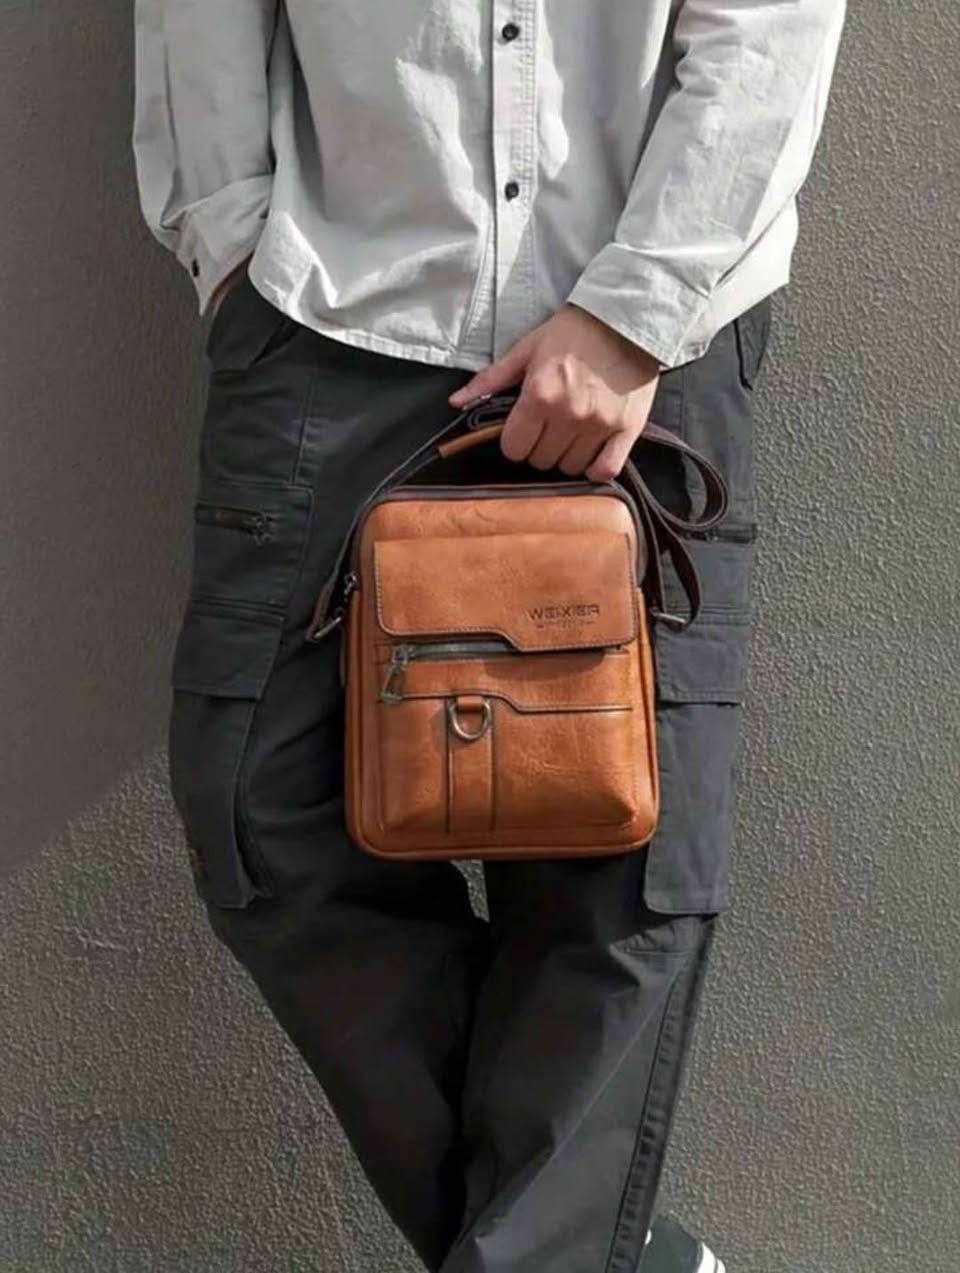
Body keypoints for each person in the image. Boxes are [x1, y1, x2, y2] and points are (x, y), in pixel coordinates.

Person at [132, 3, 845, 1270]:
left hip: (652, 328)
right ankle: (604, 1251)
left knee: (624, 851)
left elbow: (771, 20)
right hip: (332, 313)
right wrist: (233, 253)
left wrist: (637, 309)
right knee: (256, 807)